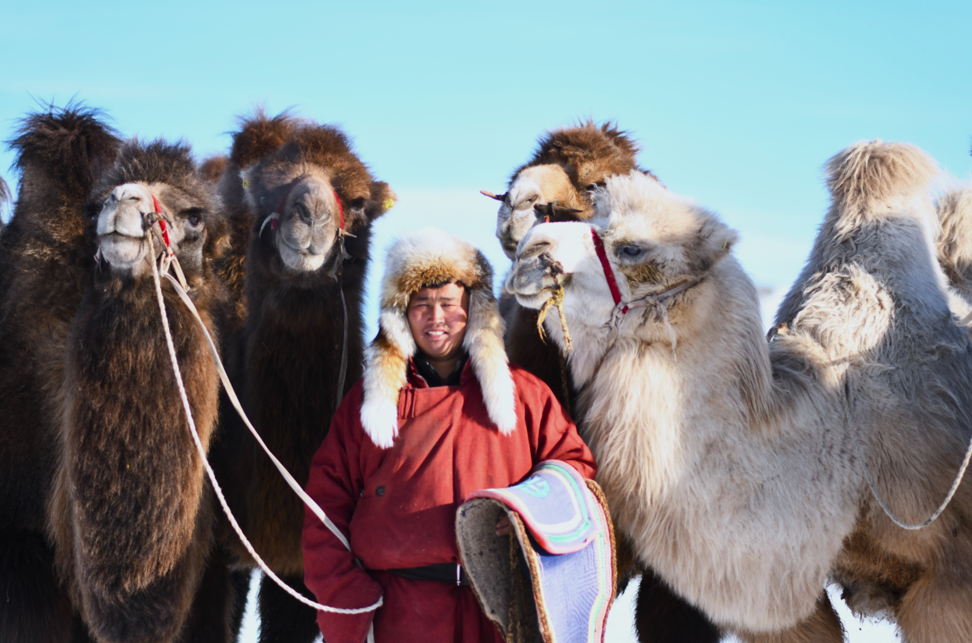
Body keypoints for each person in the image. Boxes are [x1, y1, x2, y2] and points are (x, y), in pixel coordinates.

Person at [302, 229, 596, 643]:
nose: (435, 319)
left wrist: (529, 514)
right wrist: (350, 599)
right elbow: (323, 512)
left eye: (448, 305)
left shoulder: (526, 396)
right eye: (421, 305)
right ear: (400, 313)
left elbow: (574, 473)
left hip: (502, 610)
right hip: (402, 615)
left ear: (475, 311)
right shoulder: (366, 406)